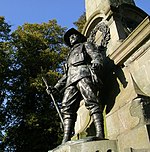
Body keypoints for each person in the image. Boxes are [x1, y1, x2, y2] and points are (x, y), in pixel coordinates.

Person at [50, 28, 104, 144]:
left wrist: (97, 62)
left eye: (73, 36)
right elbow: (66, 74)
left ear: (80, 37)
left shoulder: (86, 45)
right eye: (70, 38)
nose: (71, 38)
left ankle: (100, 133)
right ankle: (66, 139)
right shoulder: (69, 56)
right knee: (66, 107)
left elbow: (95, 55)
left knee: (91, 100)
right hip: (70, 81)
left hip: (84, 74)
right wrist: (56, 87)